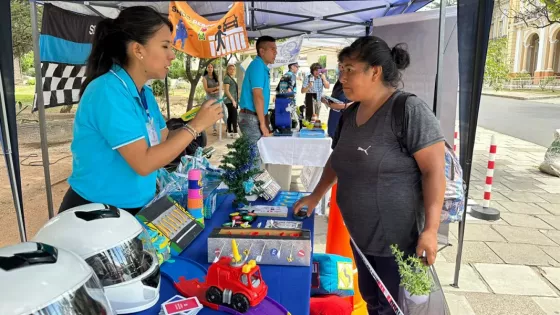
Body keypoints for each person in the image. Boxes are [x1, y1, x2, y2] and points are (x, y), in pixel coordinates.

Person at [293, 36, 446, 315]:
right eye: (341, 69)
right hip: (362, 240)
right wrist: (315, 195)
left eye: (350, 69)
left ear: (375, 71)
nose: (342, 78)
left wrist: (431, 231)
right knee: (373, 302)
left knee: (397, 308)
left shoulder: (408, 110)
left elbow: (433, 171)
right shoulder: (351, 114)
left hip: (399, 246)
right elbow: (339, 159)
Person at [60, 6, 223, 215]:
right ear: (138, 50)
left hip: (133, 206)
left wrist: (195, 124)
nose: (172, 56)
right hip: (97, 213)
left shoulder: (142, 92)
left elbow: (163, 139)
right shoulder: (108, 91)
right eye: (165, 46)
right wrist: (194, 126)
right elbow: (144, 163)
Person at [238, 35, 277, 145]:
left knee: (257, 157)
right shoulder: (257, 66)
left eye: (276, 49)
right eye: (272, 49)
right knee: (254, 158)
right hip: (250, 117)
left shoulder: (262, 66)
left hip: (254, 116)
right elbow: (258, 96)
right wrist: (262, 124)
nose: (276, 53)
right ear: (262, 51)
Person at [322, 63, 352, 138]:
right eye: (339, 65)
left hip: (345, 118)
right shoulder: (338, 83)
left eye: (342, 66)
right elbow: (335, 98)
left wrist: (343, 106)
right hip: (334, 118)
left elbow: (361, 102)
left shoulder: (354, 82)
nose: (339, 68)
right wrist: (326, 101)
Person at [202, 63, 225, 136]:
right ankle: (214, 129)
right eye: (208, 67)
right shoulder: (205, 78)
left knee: (223, 110)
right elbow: (206, 89)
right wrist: (216, 88)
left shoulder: (216, 76)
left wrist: (217, 89)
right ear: (206, 68)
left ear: (213, 68)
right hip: (210, 98)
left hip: (218, 96)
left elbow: (221, 87)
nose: (210, 68)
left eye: (211, 67)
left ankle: (228, 126)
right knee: (213, 112)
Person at [223, 64, 239, 138]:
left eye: (233, 69)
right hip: (229, 100)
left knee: (230, 116)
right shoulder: (227, 78)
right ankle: (235, 133)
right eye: (230, 69)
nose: (232, 70)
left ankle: (229, 131)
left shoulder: (231, 78)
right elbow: (226, 91)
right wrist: (233, 100)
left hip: (232, 100)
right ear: (227, 70)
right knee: (234, 116)